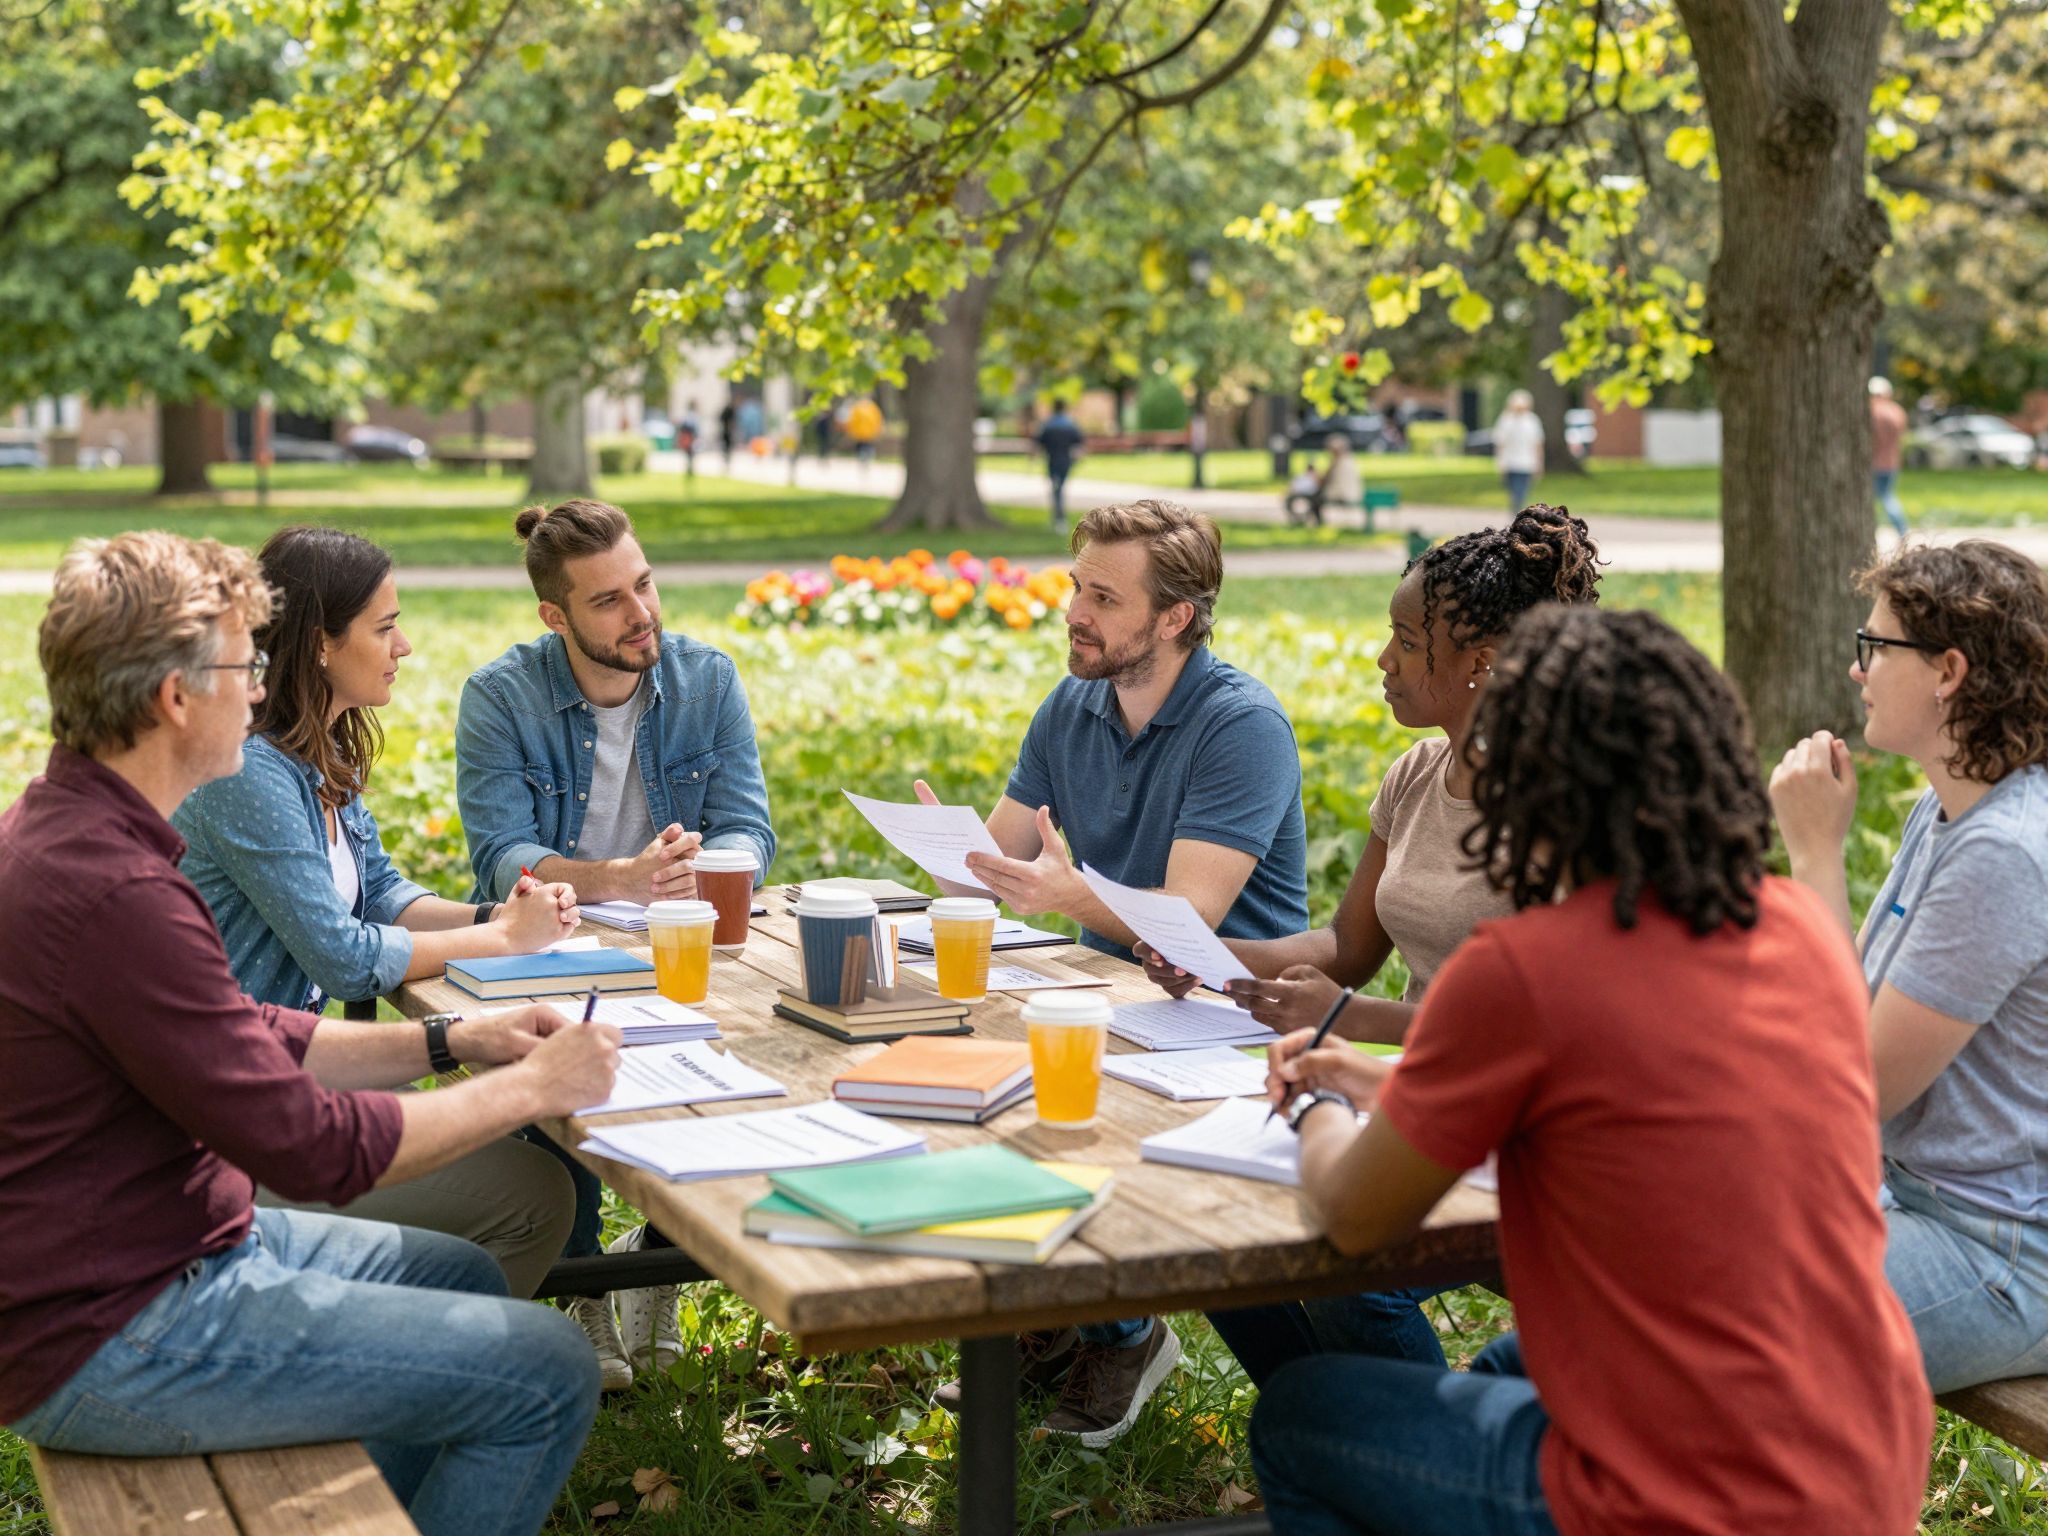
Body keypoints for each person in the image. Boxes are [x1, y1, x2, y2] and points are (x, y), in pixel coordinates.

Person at [1250, 606, 1931, 1536]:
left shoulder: (1523, 971)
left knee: (1302, 1413)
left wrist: (1318, 1106)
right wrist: (1384, 1083)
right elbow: (1632, 1093)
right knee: (1500, 1368)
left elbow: (1355, 1218)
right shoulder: (1800, 928)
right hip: (1867, 1462)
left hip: (1693, 1504)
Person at [1, 532, 621, 1536]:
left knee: (460, 1270)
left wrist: (454, 1042)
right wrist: (535, 1086)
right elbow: (316, 1147)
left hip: (165, 1249)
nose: (257, 690)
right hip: (109, 1331)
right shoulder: (113, 891)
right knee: (545, 1369)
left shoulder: (76, 829)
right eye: (246, 666)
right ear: (173, 697)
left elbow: (247, 1027)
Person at [1141, 506, 1602, 1385]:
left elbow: (1550, 1031)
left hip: (1530, 1119)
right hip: (1414, 1085)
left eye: (1405, 638)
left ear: (1481, 662)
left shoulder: (1561, 804)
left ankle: (1424, 1452)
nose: (1382, 660)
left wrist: (1351, 1021)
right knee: (1224, 1217)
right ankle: (1332, 1416)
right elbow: (1346, 946)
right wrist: (1211, 954)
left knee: (1360, 1279)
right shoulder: (1417, 776)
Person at [916, 498, 1310, 1445]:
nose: (1075, 611)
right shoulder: (1074, 703)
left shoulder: (1240, 726)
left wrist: (1061, 893)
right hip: (1107, 1003)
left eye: (1103, 594)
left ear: (1175, 617)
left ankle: (1124, 1333)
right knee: (963, 1088)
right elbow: (1004, 855)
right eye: (1075, 585)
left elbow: (1183, 925)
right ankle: (1057, 1316)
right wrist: (947, 848)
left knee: (1050, 1106)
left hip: (1222, 1020)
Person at [171, 527, 580, 1299]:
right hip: (222, 1124)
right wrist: (498, 940)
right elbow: (344, 957)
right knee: (533, 1194)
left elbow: (383, 893)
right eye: (386, 628)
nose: (406, 647)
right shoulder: (248, 772)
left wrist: (503, 911)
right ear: (321, 644)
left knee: (522, 1163)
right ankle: (411, 1384)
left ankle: (393, 1356)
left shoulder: (317, 748)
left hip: (291, 1076)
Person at [456, 497, 775, 1389]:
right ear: (555, 617)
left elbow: (749, 827)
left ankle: (659, 1258)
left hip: (676, 931)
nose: (642, 614)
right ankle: (588, 1279)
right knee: (564, 1045)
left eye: (644, 584)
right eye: (608, 601)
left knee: (738, 1046)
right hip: (552, 939)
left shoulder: (706, 680)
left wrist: (704, 869)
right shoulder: (501, 696)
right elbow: (500, 856)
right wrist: (616, 880)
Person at [1771, 540, 2048, 1394]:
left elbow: (1848, 1089)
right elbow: (1847, 1017)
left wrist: (1816, 855)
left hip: (1999, 1252)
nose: (1858, 672)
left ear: (1948, 672)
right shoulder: (1947, 808)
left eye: (1875, 648)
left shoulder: (2005, 853)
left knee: (1716, 1318)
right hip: (1906, 1199)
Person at [1035, 398, 1085, 532]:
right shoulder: (1070, 425)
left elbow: (1039, 443)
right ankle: (1059, 518)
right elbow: (1078, 444)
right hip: (1065, 461)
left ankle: (1058, 518)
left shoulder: (1048, 425)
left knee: (1057, 489)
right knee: (1059, 489)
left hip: (1052, 461)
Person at [1491, 389, 1544, 513]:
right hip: (1510, 463)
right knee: (1514, 493)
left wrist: (1539, 463)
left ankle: (1519, 515)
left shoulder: (1532, 421)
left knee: (1520, 494)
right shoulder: (1505, 420)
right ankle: (1517, 515)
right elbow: (1500, 443)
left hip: (1526, 464)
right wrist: (1500, 462)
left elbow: (1537, 444)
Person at [1871, 376, 1909, 538]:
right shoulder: (1897, 411)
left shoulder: (1872, 411)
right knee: (1888, 497)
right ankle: (1902, 532)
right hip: (1892, 462)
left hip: (1874, 463)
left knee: (1882, 499)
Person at [678, 398, 701, 480]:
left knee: (690, 455)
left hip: (688, 438)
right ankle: (690, 469)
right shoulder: (693, 416)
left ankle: (689, 469)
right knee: (690, 455)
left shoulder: (688, 416)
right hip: (690, 438)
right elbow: (695, 429)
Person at [718, 396, 737, 471]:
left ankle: (726, 461)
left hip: (726, 432)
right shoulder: (729, 411)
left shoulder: (727, 410)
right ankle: (726, 461)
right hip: (727, 432)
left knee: (726, 448)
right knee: (727, 448)